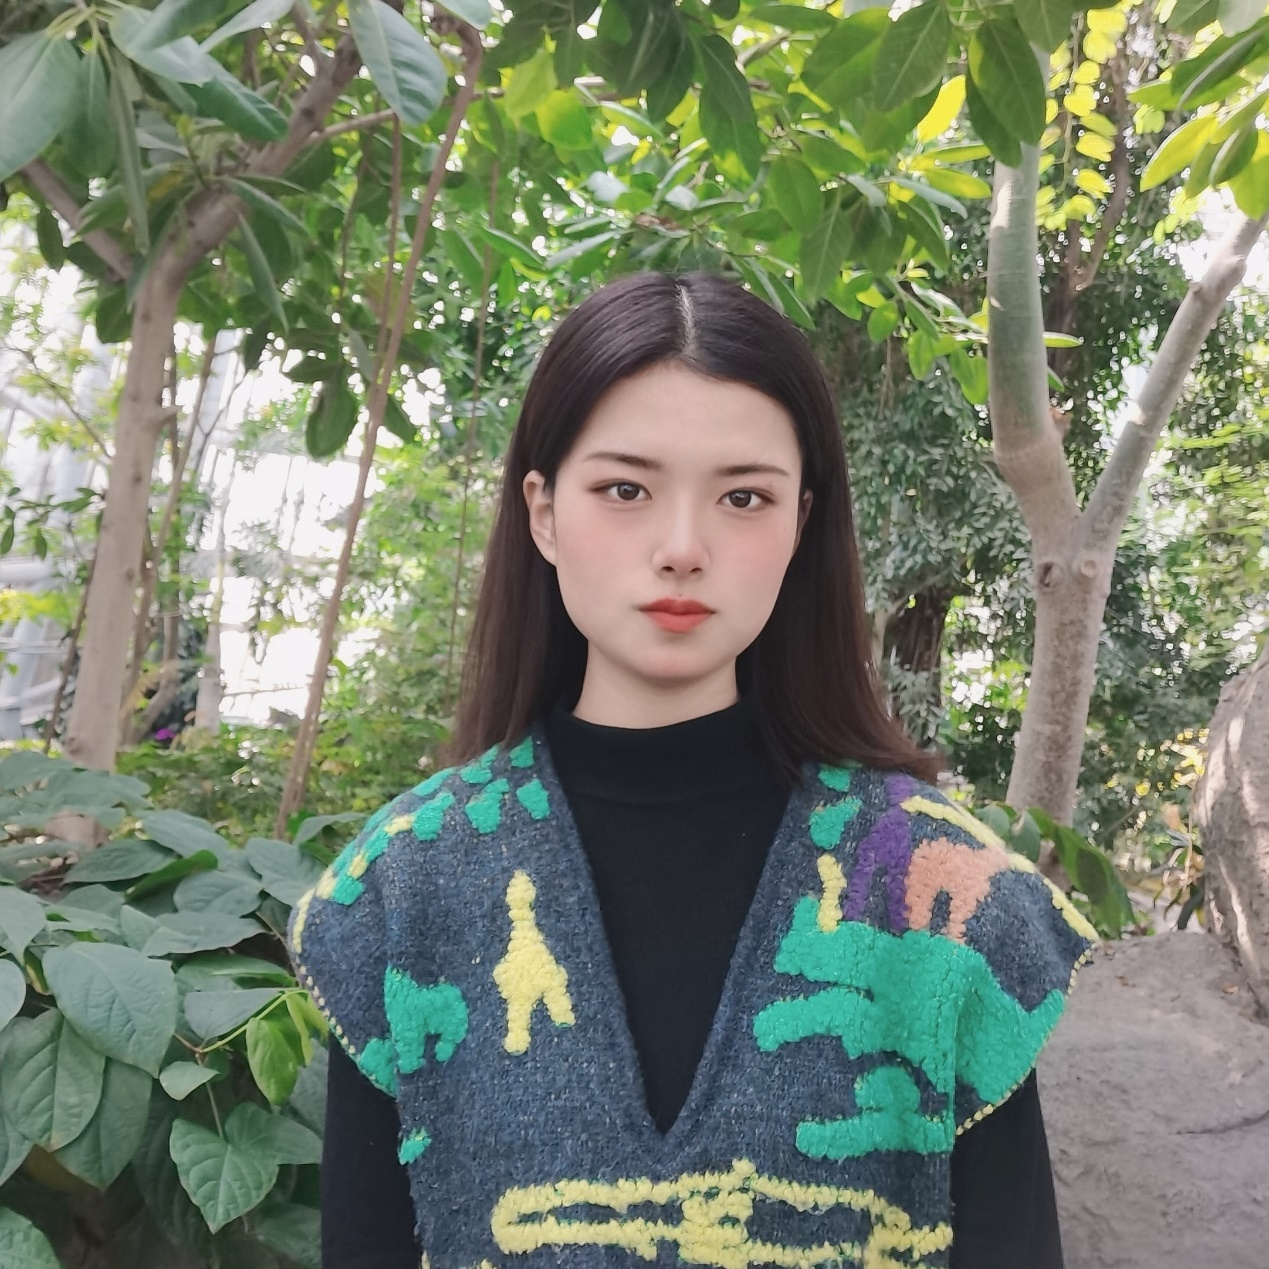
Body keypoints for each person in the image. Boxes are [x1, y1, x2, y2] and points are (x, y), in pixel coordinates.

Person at [287, 271, 1096, 1269]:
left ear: (800, 522)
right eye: (624, 489)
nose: (681, 548)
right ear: (543, 511)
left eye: (743, 497)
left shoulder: (947, 901)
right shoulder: (398, 893)